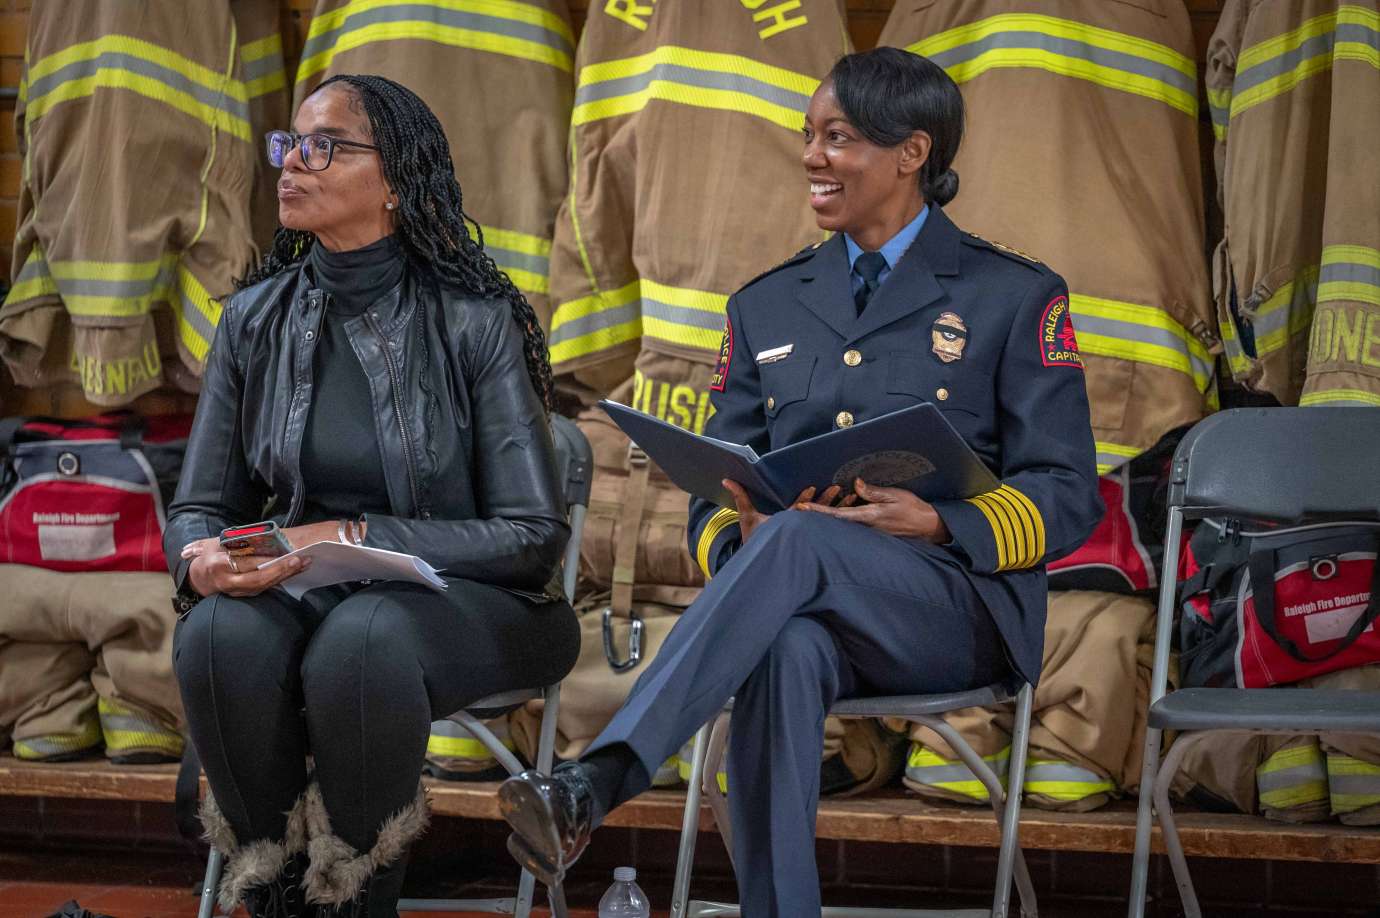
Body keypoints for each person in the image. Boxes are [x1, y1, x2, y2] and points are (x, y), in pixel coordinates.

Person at [498, 47, 1103, 916]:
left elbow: (1068, 491)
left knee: (801, 538)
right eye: (810, 136)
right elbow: (717, 487)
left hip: (953, 608)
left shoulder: (1013, 295)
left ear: (913, 152)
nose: (812, 157)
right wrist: (735, 530)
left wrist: (936, 522)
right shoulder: (764, 305)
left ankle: (597, 781)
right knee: (784, 646)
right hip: (801, 600)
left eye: (839, 137)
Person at [165, 74, 581, 918]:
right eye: (291, 144)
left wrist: (350, 531)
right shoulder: (253, 318)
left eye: (327, 146)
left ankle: (354, 898)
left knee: (363, 638)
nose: (293, 164)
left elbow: (533, 534)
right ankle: (278, 898)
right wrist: (203, 560)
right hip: (305, 593)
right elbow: (199, 503)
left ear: (395, 181)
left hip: (475, 603)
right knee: (217, 635)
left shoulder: (475, 320)